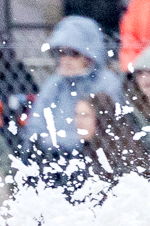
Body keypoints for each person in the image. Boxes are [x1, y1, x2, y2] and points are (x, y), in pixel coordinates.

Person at [22, 14, 123, 178]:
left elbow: (108, 132)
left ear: (89, 56)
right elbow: (35, 127)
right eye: (61, 53)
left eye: (73, 53)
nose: (65, 59)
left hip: (93, 162)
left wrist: (58, 140)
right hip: (52, 161)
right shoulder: (55, 84)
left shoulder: (107, 83)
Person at [75, 90, 150, 182]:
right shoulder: (86, 150)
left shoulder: (123, 153)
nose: (78, 121)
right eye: (76, 115)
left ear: (100, 118)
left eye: (85, 116)